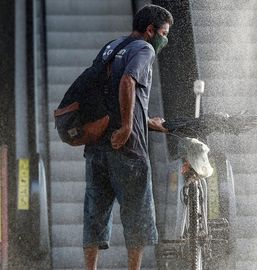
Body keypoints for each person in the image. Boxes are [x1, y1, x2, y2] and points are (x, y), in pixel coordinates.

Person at [82, 5, 173, 270]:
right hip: (128, 150)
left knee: (94, 215)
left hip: (96, 146)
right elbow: (127, 82)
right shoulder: (144, 49)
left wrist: (145, 122)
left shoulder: (112, 46)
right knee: (138, 217)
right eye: (164, 33)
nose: (164, 39)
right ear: (150, 30)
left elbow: (103, 92)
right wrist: (126, 128)